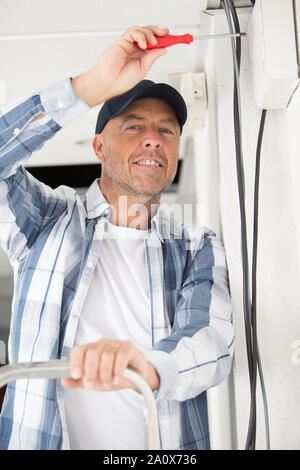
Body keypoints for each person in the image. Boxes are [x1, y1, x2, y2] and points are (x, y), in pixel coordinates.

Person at [0, 25, 234, 450]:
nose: (153, 138)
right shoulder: (45, 222)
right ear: (98, 147)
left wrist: (147, 368)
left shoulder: (196, 246)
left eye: (167, 130)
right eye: (133, 126)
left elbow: (210, 338)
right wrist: (89, 87)